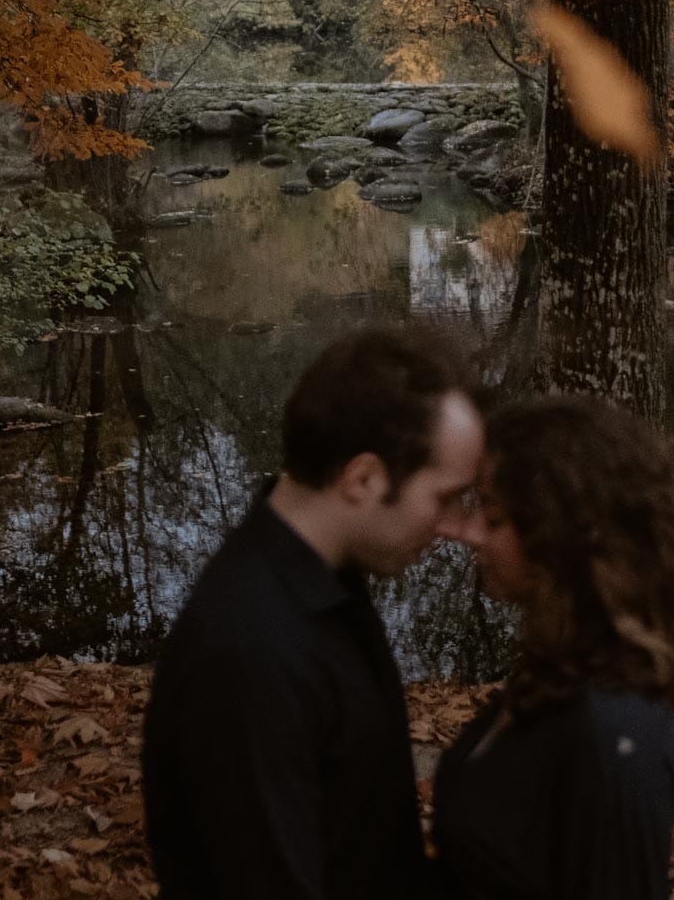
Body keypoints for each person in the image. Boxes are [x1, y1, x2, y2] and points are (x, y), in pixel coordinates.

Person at [141, 327, 484, 900]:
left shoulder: (325, 583)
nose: (456, 527)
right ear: (364, 479)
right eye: (445, 498)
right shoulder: (250, 657)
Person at [434, 394, 674, 900]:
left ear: (557, 533)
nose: (469, 533)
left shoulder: (613, 734)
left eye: (492, 517)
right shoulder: (555, 670)